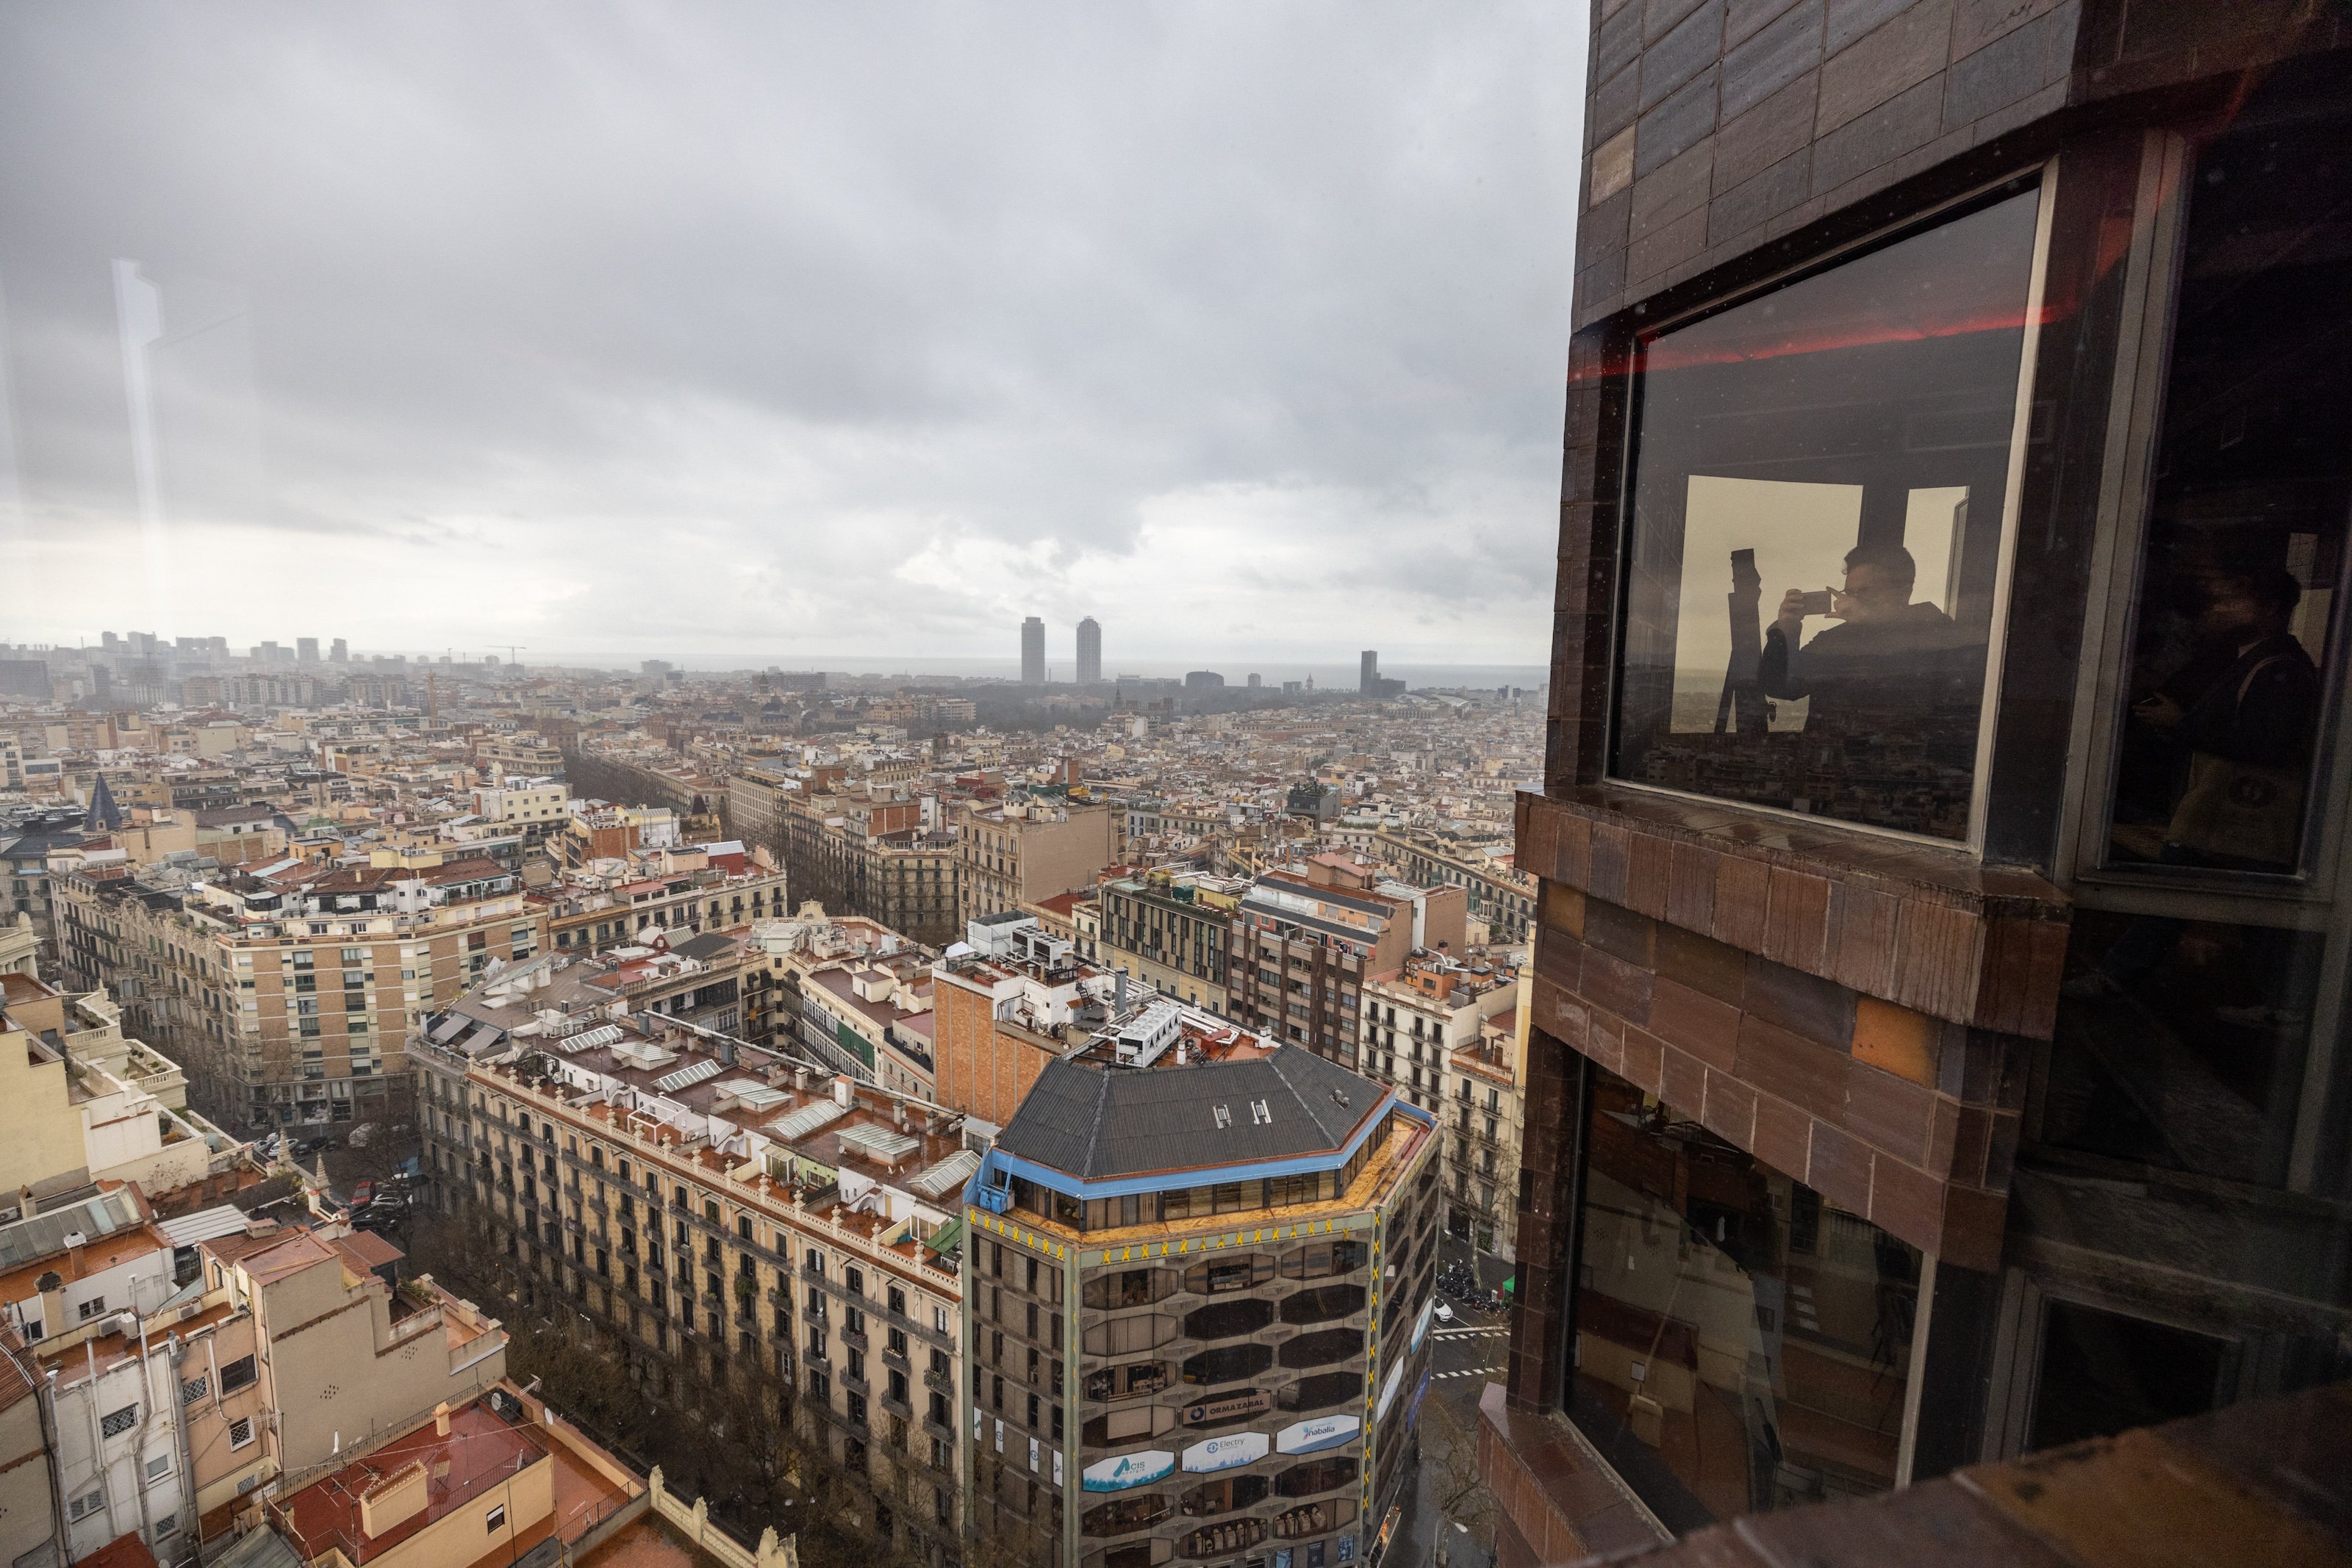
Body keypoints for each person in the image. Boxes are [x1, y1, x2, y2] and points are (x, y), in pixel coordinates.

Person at [1759, 542, 1979, 744]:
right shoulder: (1834, 641)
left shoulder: (1940, 634)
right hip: (1832, 769)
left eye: (1865, 593)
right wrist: (1785, 631)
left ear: (1904, 593)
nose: (1855, 601)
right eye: (1850, 593)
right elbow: (1780, 686)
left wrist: (1876, 624)